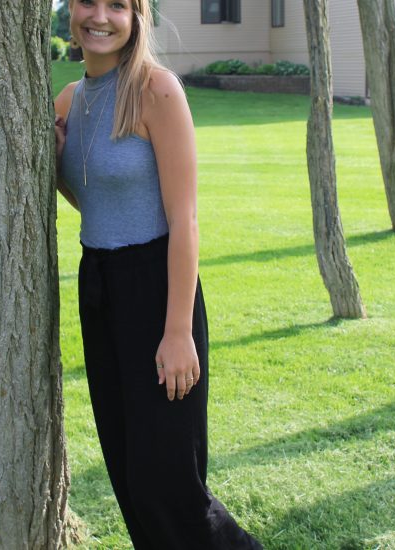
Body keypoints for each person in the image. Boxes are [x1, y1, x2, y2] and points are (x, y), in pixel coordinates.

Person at [54, 1, 263, 548]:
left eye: (117, 5)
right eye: (87, 2)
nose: (99, 16)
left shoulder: (157, 90)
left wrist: (177, 332)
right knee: (127, 474)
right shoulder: (69, 102)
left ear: (137, 16)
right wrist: (55, 165)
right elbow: (97, 201)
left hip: (158, 287)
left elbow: (184, 218)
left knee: (168, 484)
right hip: (99, 288)